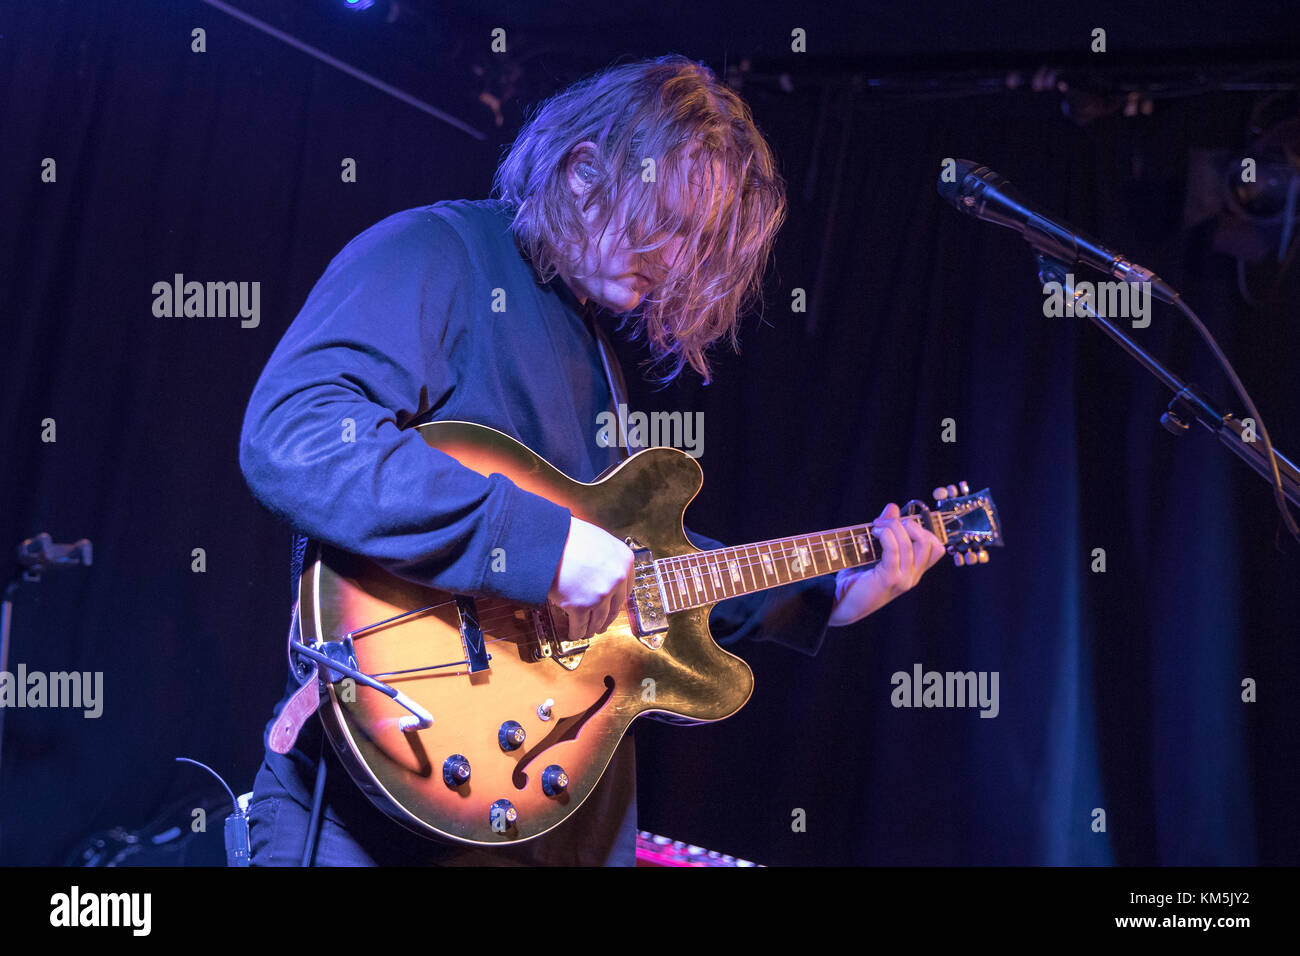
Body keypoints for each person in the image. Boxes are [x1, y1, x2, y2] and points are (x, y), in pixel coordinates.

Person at [238, 54, 944, 866]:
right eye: (669, 223)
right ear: (582, 175)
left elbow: (636, 575)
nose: (679, 262)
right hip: (384, 802)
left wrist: (828, 591)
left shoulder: (597, 352)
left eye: (700, 243)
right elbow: (298, 434)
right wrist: (541, 548)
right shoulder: (438, 254)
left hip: (556, 813)